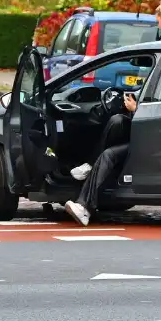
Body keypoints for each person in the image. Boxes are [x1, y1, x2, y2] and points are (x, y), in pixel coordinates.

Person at [64, 93, 137, 226]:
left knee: (117, 123)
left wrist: (135, 109)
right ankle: (84, 208)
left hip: (146, 137)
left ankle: (85, 206)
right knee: (116, 122)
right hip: (135, 132)